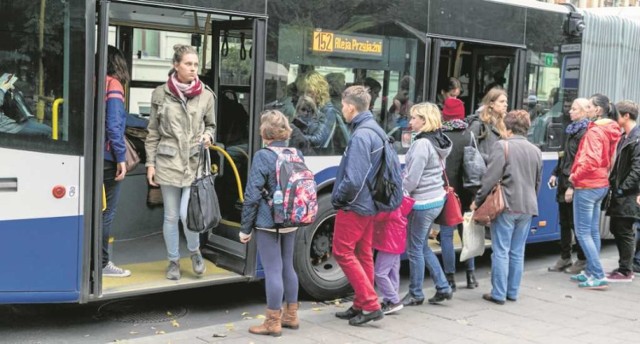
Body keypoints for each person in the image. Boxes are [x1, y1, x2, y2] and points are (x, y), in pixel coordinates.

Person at [145, 44, 215, 281]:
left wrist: (208, 136)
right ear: (176, 65)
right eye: (188, 64)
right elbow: (153, 133)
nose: (193, 69)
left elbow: (212, 125)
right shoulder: (160, 94)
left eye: (195, 64)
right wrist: (150, 164)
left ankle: (195, 252)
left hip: (194, 163)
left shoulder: (206, 95)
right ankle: (173, 261)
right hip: (167, 162)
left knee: (188, 215)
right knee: (171, 216)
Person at [239, 110, 301, 337]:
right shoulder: (296, 153)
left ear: (265, 132)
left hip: (267, 220)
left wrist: (245, 229)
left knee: (273, 269)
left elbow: (253, 194)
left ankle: (272, 322)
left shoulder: (263, 156)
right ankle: (291, 316)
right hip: (292, 219)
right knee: (288, 266)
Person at [471, 110, 542, 304]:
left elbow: (490, 178)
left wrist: (478, 200)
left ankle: (498, 293)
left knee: (501, 251)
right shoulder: (536, 150)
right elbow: (537, 182)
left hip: (506, 205)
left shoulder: (502, 146)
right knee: (517, 252)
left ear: (507, 127)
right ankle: (512, 292)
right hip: (527, 206)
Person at [331, 85, 385, 326]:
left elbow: (354, 179)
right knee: (363, 254)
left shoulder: (361, 135)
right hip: (369, 203)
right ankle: (361, 303)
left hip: (355, 204)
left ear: (351, 107)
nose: (342, 110)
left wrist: (338, 198)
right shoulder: (374, 129)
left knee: (342, 252)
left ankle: (370, 304)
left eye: (343, 106)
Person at [401, 102, 454, 306]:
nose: (410, 121)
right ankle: (442, 287)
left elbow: (413, 179)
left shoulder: (422, 143)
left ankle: (415, 292)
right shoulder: (439, 140)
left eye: (414, 117)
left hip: (422, 202)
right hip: (436, 199)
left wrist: (401, 187)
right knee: (422, 246)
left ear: (424, 120)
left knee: (414, 249)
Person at [568, 94, 621, 290]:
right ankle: (591, 271)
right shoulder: (611, 129)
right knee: (591, 231)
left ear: (598, 110)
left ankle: (597, 275)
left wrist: (574, 176)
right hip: (600, 184)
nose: (587, 109)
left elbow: (590, 160)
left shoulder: (594, 132)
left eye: (589, 106)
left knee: (583, 232)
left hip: (587, 184)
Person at [439, 94, 479, 290]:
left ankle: (450, 279)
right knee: (467, 233)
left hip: (448, 191)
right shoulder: (469, 135)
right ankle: (471, 276)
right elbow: (474, 164)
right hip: (466, 191)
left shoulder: (440, 136)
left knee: (446, 235)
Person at [547, 98, 590, 274]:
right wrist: (555, 173)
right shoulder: (570, 130)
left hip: (574, 183)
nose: (569, 111)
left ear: (584, 112)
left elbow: (581, 161)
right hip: (563, 180)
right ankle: (565, 257)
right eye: (570, 108)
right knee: (564, 222)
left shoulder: (585, 133)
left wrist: (573, 185)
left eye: (574, 109)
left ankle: (582, 259)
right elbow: (564, 156)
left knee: (575, 223)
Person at [101, 45, 132, 278]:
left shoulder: (92, 81)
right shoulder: (113, 84)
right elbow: (113, 125)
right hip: (108, 158)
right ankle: (102, 263)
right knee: (106, 213)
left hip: (92, 154)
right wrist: (121, 157)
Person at [604, 100, 640, 282]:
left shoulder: (636, 138)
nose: (613, 117)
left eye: (616, 114)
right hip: (621, 192)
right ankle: (623, 267)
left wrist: (621, 189)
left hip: (628, 194)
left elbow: (637, 169)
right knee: (616, 227)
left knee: (624, 229)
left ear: (626, 116)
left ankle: (626, 270)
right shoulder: (626, 137)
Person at [373, 196, 413, 315]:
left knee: (380, 273)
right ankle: (389, 301)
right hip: (397, 239)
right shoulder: (399, 200)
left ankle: (394, 301)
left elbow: (378, 216)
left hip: (389, 240)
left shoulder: (389, 203)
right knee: (393, 272)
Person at [0, 73, 51, 137]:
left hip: (14, 121)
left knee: (47, 129)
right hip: (7, 127)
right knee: (49, 132)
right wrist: (2, 89)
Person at [468, 88, 508, 164]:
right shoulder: (478, 124)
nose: (505, 105)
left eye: (506, 102)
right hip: (483, 170)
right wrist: (491, 159)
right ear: (491, 104)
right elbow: (470, 151)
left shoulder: (503, 124)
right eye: (502, 101)